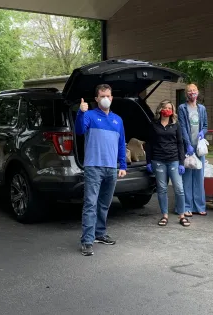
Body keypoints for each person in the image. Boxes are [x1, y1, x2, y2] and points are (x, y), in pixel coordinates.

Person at [75, 84, 127, 256]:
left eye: (109, 96)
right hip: (93, 166)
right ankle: (87, 241)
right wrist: (80, 112)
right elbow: (80, 130)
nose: (106, 98)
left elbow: (121, 144)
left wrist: (123, 165)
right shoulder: (89, 115)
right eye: (102, 96)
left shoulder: (117, 120)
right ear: (96, 98)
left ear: (112, 98)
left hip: (111, 168)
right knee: (90, 204)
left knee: (104, 203)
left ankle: (100, 233)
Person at [145, 100, 190, 227]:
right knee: (162, 189)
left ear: (172, 110)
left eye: (169, 108)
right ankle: (164, 215)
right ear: (160, 109)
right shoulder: (154, 124)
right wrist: (149, 161)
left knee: (179, 188)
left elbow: (180, 143)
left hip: (173, 160)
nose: (167, 109)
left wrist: (181, 162)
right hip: (158, 160)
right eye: (164, 107)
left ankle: (182, 215)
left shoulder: (176, 125)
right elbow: (149, 143)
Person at [178, 83, 208, 217]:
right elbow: (182, 127)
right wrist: (188, 144)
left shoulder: (202, 108)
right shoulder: (182, 108)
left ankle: (199, 206)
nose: (192, 93)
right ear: (186, 94)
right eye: (189, 91)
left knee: (199, 177)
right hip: (188, 147)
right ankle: (187, 206)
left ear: (197, 92)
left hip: (199, 148)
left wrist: (203, 132)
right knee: (187, 177)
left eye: (194, 90)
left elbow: (206, 125)